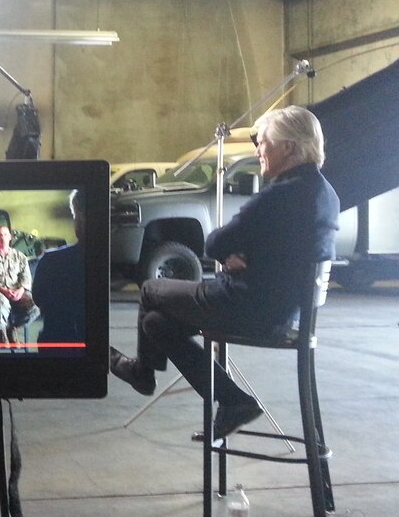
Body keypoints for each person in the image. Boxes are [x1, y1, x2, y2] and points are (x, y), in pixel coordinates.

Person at [109, 106, 340, 439]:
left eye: (263, 142)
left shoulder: (280, 195)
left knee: (150, 290)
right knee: (155, 323)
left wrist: (240, 251)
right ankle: (233, 401)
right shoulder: (325, 193)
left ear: (288, 147)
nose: (258, 151)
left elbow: (215, 243)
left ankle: (142, 374)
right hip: (282, 312)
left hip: (244, 304)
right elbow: (282, 248)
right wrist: (251, 252)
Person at [31, 191, 85, 344]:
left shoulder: (51, 262)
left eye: (74, 216)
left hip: (58, 342)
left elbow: (38, 298)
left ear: (80, 217)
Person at [0, 224, 40, 343]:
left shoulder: (20, 257)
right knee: (1, 303)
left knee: (35, 307)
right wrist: (3, 290)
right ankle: (2, 332)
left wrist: (21, 290)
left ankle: (13, 328)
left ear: (10, 237)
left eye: (5, 235)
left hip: (17, 290)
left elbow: (26, 277)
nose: (2, 238)